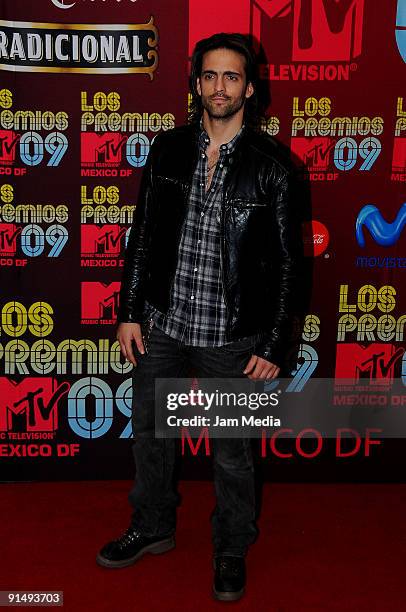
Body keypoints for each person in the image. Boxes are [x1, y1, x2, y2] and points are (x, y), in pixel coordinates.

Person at [96, 32, 300, 602]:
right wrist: (131, 310)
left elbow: (288, 265)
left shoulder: (273, 169)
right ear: (196, 84)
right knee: (150, 436)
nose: (219, 86)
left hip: (231, 336)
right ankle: (153, 525)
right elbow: (142, 237)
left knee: (233, 451)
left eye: (231, 76)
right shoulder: (166, 150)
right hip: (162, 323)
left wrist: (275, 342)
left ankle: (231, 543)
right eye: (209, 76)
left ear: (250, 88)